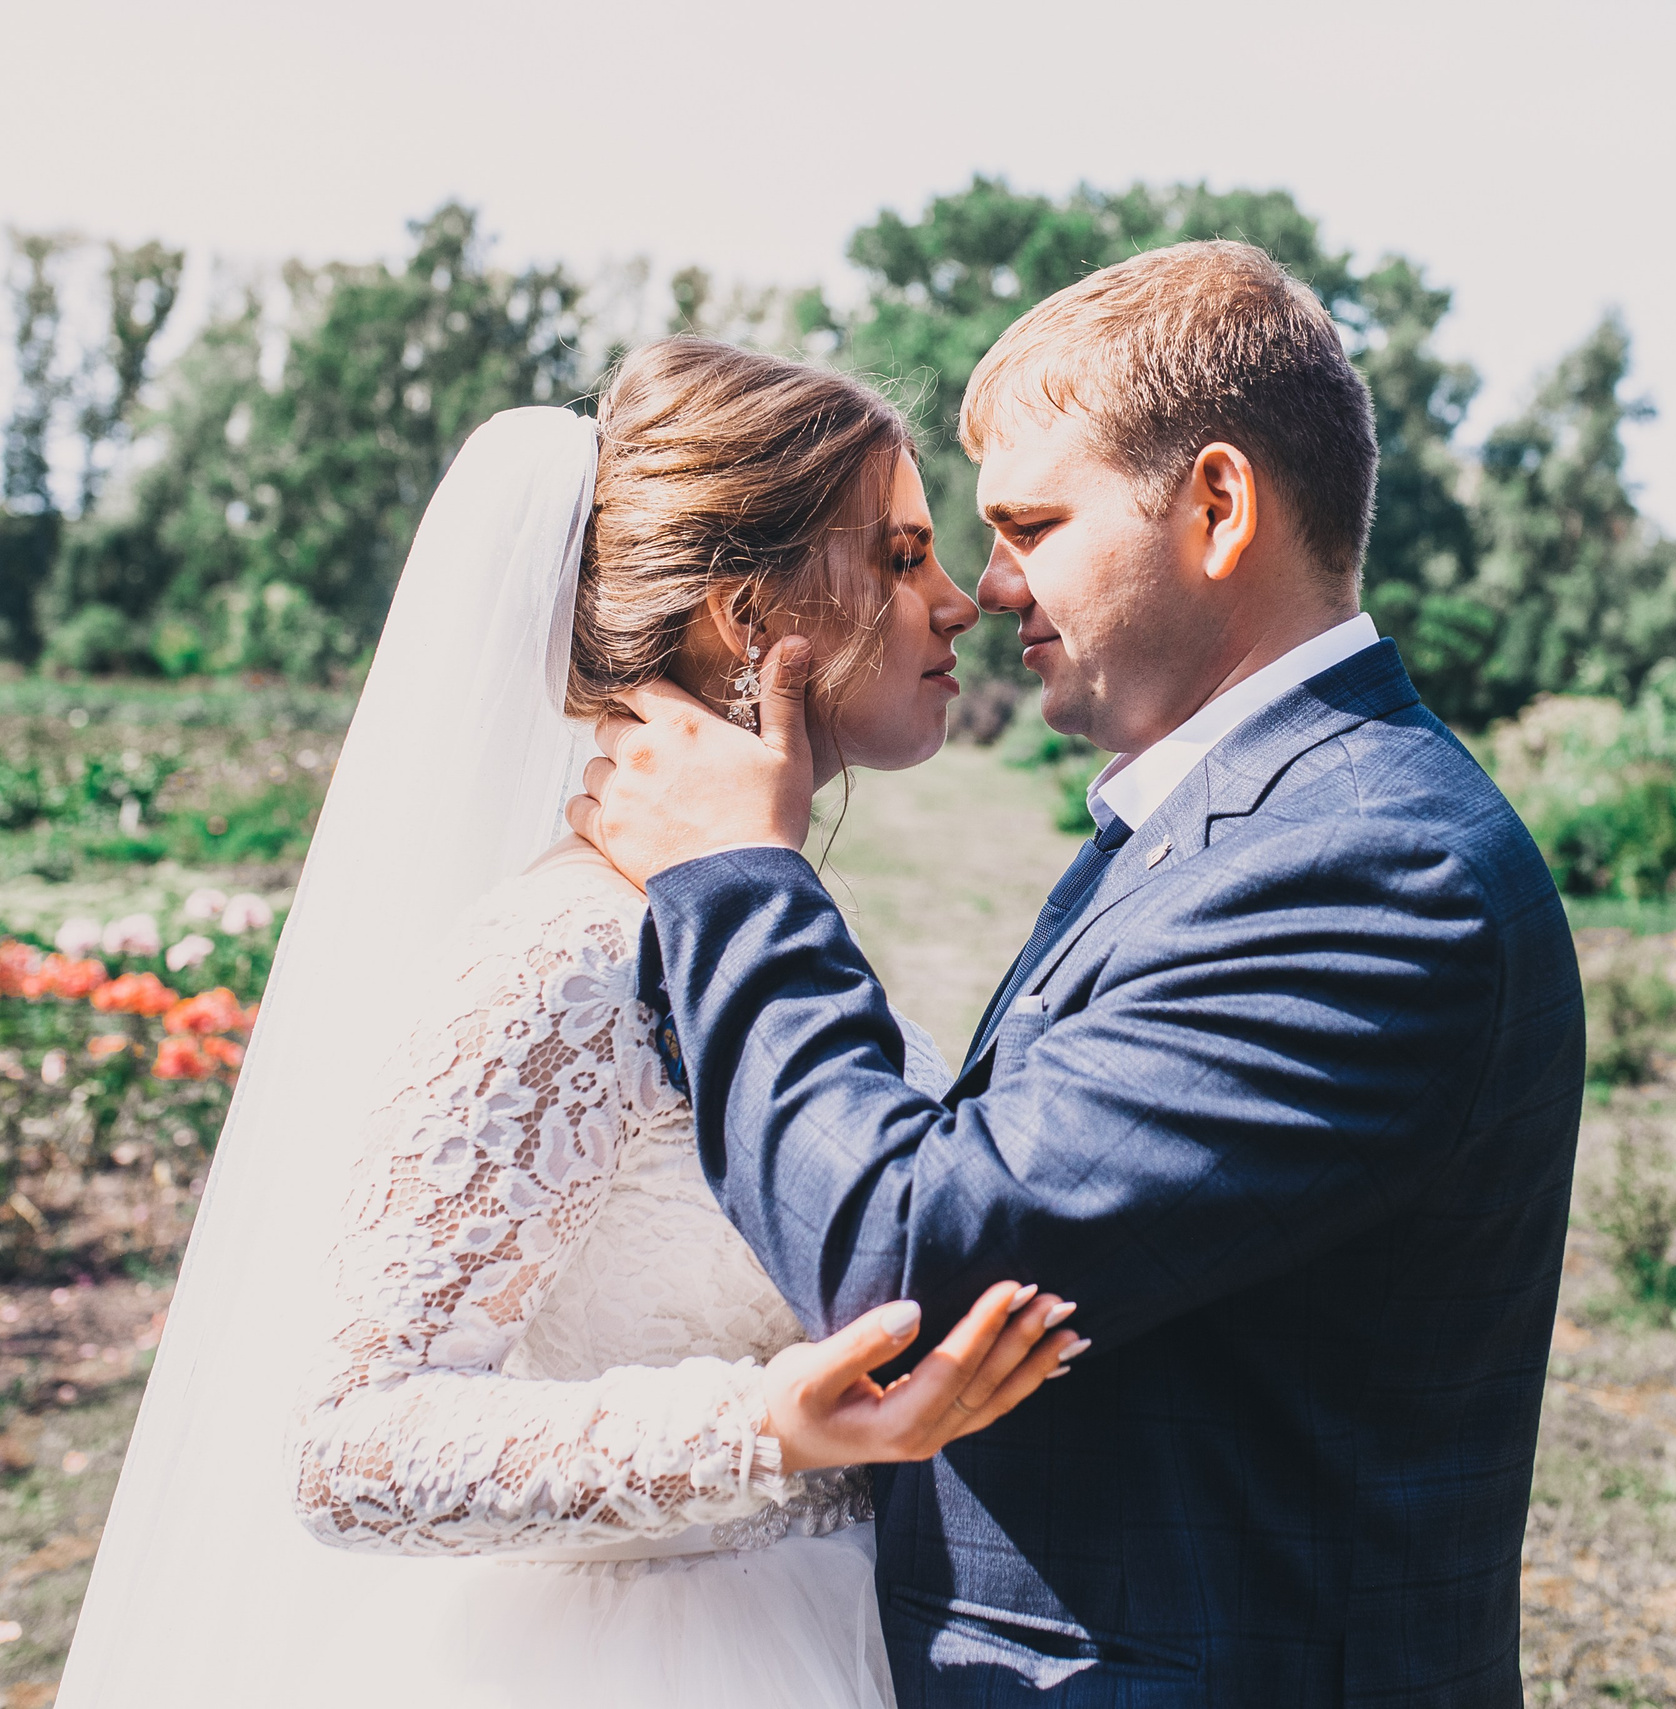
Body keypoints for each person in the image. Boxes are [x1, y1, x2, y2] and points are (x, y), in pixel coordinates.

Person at [571, 241, 1587, 1705]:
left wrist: (735, 881)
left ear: (1219, 508)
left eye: (1032, 524)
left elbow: (913, 1248)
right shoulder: (1234, 819)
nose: (987, 589)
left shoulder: (1373, 867)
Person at [62, 341, 1077, 1709]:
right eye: (901, 557)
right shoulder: (568, 954)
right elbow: (351, 1447)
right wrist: (761, 1425)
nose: (962, 601)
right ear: (743, 615)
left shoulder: (741, 913)